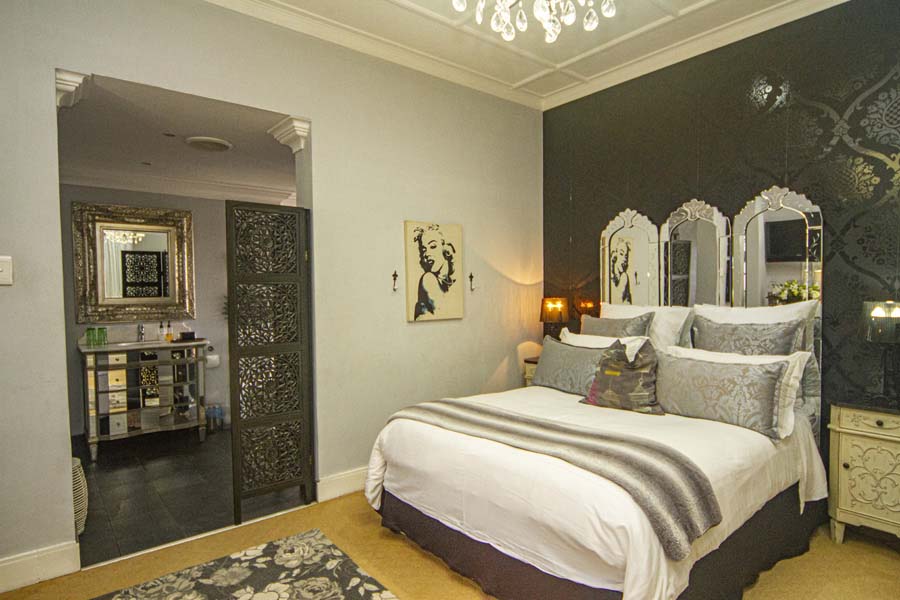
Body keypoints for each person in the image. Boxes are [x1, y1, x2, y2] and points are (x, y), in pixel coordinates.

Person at [413, 224, 456, 319]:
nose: (426, 254)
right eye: (424, 250)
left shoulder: (451, 283)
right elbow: (443, 310)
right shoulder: (428, 278)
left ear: (446, 249)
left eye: (433, 246)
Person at [610, 237, 632, 304]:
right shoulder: (620, 277)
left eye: (626, 256)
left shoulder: (623, 276)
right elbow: (618, 299)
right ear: (615, 254)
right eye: (621, 254)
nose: (625, 259)